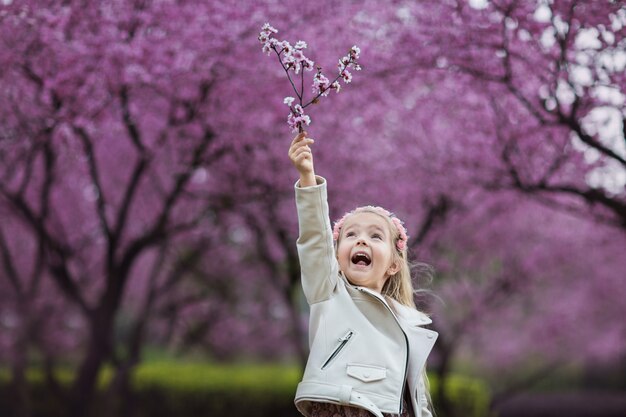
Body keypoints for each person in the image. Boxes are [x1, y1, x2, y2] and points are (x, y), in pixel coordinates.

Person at [288, 131, 438, 417]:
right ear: (337, 257)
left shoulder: (409, 321)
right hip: (341, 407)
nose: (361, 240)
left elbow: (416, 394)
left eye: (375, 236)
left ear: (394, 264)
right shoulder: (329, 294)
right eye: (351, 234)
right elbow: (314, 243)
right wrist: (308, 179)